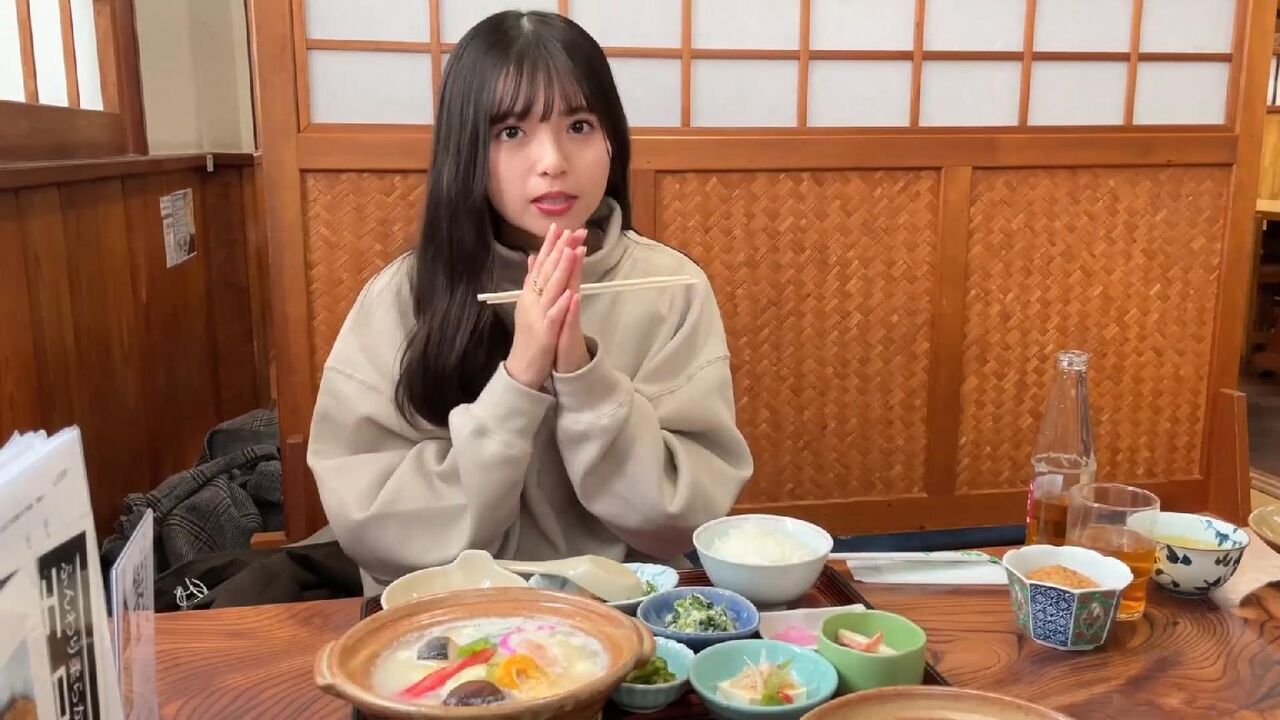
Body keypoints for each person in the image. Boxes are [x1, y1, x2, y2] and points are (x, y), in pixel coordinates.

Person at [307, 10, 753, 594]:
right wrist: (519, 378)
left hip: (621, 608)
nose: (553, 161)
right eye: (511, 132)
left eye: (580, 125)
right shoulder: (401, 295)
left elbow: (683, 514)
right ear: (466, 149)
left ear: (613, 140)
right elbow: (372, 523)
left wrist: (582, 373)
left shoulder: (670, 287)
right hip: (447, 613)